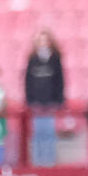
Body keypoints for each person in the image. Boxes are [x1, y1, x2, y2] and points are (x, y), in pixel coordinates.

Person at [24, 30, 65, 167]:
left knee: (49, 134)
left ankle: (49, 163)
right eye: (40, 40)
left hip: (50, 103)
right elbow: (28, 82)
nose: (43, 43)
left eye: (45, 40)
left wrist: (58, 100)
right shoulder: (32, 60)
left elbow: (60, 81)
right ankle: (37, 162)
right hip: (36, 104)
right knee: (37, 134)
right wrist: (29, 100)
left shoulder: (55, 59)